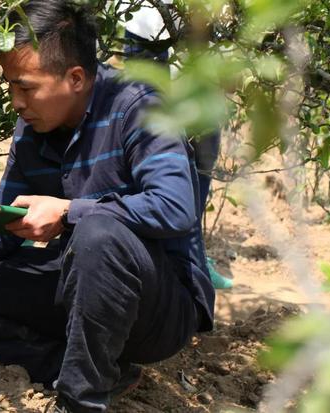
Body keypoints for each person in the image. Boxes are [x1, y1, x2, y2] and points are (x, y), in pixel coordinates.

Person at [0, 1, 215, 412]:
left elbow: (173, 207)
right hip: (82, 285)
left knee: (98, 233)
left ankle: (82, 399)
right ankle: (80, 367)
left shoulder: (140, 108)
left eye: (25, 87)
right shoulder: (33, 126)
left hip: (160, 311)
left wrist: (67, 212)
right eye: (10, 86)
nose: (16, 101)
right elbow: (1, 223)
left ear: (75, 77)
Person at [120, 0, 233, 289]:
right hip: (146, 25)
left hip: (206, 25)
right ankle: (163, 260)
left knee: (205, 141)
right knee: (153, 134)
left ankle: (193, 257)